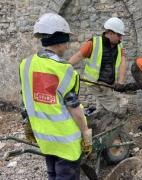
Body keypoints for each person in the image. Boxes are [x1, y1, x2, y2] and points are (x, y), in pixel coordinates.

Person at [19, 13, 92, 180]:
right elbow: (73, 107)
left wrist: (27, 124)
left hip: (44, 137)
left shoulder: (26, 64)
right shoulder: (64, 70)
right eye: (66, 41)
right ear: (58, 41)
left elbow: (24, 99)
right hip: (66, 142)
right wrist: (85, 133)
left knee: (52, 174)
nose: (67, 46)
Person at [69, 17, 127, 119]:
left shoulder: (119, 45)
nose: (121, 38)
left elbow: (123, 62)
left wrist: (121, 83)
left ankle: (98, 126)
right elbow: (78, 56)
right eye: (119, 35)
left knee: (102, 109)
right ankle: (117, 127)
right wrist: (63, 68)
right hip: (96, 84)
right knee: (115, 109)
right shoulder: (93, 43)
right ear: (110, 32)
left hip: (108, 83)